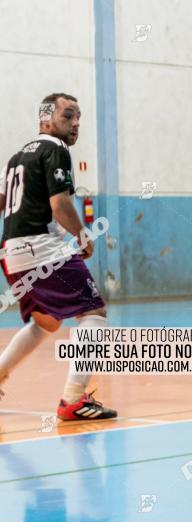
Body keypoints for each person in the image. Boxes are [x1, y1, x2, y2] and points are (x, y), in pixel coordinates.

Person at [0, 93, 117, 420]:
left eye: (79, 116)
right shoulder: (56, 149)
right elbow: (60, 204)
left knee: (46, 321)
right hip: (42, 249)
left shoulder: (16, 157)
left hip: (12, 254)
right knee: (94, 313)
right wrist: (82, 235)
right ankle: (73, 400)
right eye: (68, 116)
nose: (76, 122)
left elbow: (1, 199)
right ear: (46, 118)